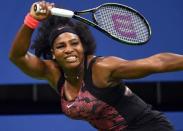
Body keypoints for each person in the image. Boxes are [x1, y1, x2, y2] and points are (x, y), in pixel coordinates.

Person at [9, 1, 183, 131]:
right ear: (53, 53)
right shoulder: (53, 73)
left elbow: (156, 63)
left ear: (83, 46)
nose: (69, 50)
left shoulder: (102, 68)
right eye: (61, 46)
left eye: (74, 43)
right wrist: (31, 20)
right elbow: (17, 57)